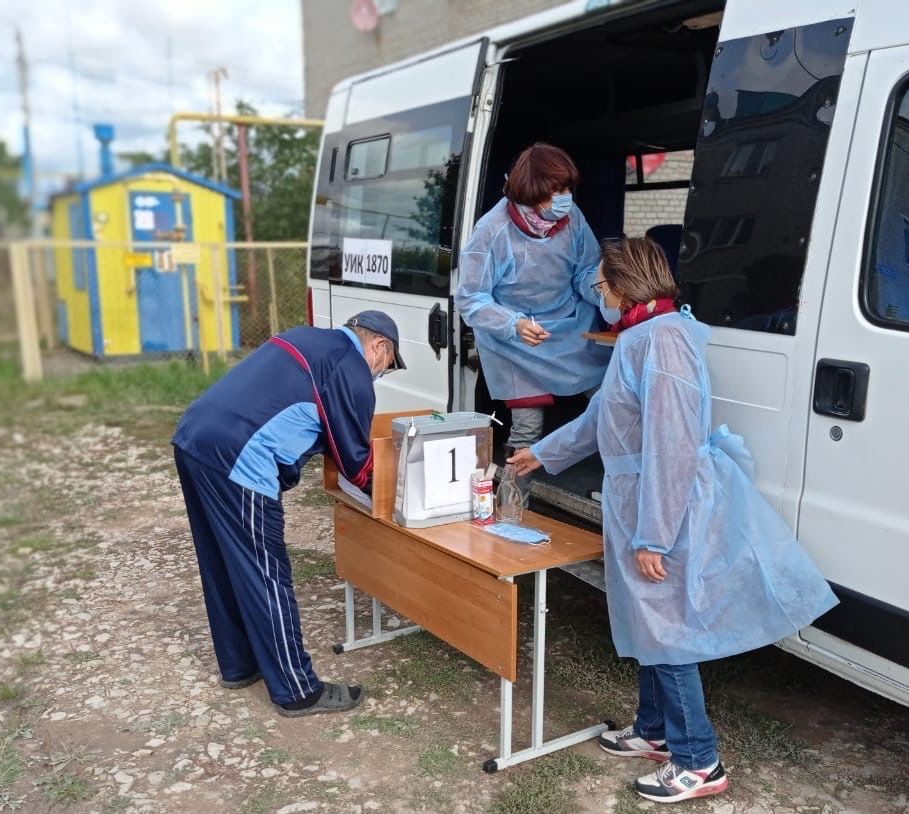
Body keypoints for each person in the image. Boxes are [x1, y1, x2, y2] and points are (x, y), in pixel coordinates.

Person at [508, 239, 837, 803]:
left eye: (601, 286)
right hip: (640, 495)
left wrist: (653, 535)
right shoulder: (643, 334)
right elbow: (602, 415)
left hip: (664, 501)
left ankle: (698, 760)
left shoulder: (663, 339)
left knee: (669, 630)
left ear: (621, 285)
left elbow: (672, 444)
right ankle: (654, 729)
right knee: (648, 619)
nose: (599, 296)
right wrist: (543, 453)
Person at [171, 311, 405, 717]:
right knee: (265, 573)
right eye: (388, 364)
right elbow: (357, 464)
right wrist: (404, 496)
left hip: (194, 437)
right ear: (379, 347)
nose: (383, 373)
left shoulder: (305, 337)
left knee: (223, 563)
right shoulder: (350, 368)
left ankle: (239, 665)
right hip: (239, 460)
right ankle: (297, 689)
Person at [454, 142, 612, 461]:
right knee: (528, 426)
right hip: (517, 341)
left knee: (611, 404)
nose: (562, 199)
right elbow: (471, 298)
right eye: (553, 192)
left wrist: (608, 294)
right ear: (529, 192)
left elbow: (585, 271)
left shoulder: (574, 219)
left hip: (570, 328)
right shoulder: (491, 231)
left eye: (565, 189)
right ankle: (514, 502)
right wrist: (513, 325)